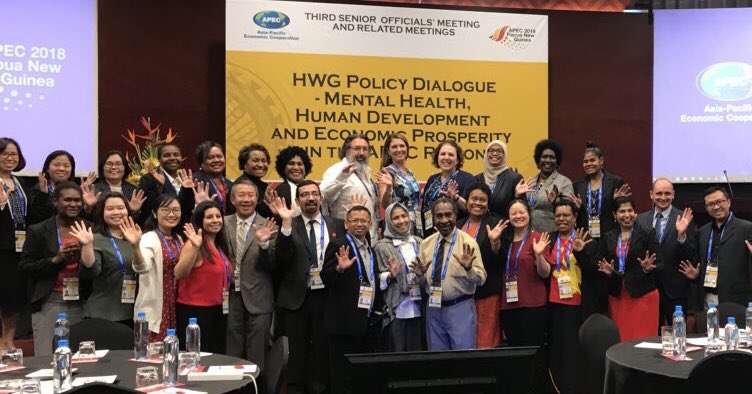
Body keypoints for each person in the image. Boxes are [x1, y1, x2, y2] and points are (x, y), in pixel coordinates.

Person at [273, 180, 344, 394]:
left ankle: (321, 388)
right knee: (297, 350)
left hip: (327, 295)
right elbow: (281, 259)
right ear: (297, 201)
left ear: (321, 198)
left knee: (323, 347)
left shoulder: (337, 225)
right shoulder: (287, 225)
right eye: (304, 195)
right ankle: (296, 390)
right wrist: (285, 225)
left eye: (314, 194)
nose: (310, 198)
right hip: (297, 298)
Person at [19, 182, 88, 356]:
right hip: (49, 301)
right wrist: (55, 260)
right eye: (68, 200)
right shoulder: (39, 230)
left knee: (80, 357)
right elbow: (25, 266)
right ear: (55, 201)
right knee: (45, 357)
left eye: (78, 200)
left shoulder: (90, 228)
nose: (74, 204)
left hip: (82, 302)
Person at [321, 205, 382, 394]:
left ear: (370, 224)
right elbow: (326, 277)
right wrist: (339, 269)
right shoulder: (339, 245)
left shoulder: (369, 248)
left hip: (365, 323)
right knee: (341, 378)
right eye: (354, 220)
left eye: (364, 220)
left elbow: (370, 278)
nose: (359, 224)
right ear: (346, 224)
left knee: (361, 378)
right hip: (343, 325)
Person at [417, 197, 485, 350]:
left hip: (460, 308)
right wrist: (419, 275)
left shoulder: (468, 243)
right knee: (437, 360)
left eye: (448, 215)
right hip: (433, 309)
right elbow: (422, 283)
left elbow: (481, 280)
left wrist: (469, 269)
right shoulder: (426, 244)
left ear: (455, 216)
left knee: (463, 360)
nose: (444, 220)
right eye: (439, 216)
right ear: (433, 218)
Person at [224, 180, 277, 371]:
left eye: (251, 195)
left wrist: (263, 245)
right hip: (229, 297)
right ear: (232, 199)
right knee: (231, 353)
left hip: (259, 297)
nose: (246, 200)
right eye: (241, 195)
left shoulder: (270, 225)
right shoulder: (221, 222)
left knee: (258, 355)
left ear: (257, 198)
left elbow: (273, 264)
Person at [547, 199, 596, 394]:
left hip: (579, 306)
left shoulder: (586, 239)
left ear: (575, 217)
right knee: (558, 350)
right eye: (558, 215)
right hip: (554, 304)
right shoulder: (549, 239)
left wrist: (581, 252)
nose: (561, 219)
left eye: (566, 215)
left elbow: (593, 271)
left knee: (574, 351)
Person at [597, 196, 662, 341]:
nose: (627, 215)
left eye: (630, 210)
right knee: (622, 340)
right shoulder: (608, 237)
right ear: (615, 215)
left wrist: (647, 269)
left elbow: (660, 263)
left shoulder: (647, 233)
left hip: (643, 295)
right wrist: (608, 272)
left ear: (635, 212)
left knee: (643, 341)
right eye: (622, 211)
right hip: (618, 296)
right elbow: (601, 264)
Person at [678, 186, 752, 311]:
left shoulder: (746, 228)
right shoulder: (703, 231)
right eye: (711, 204)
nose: (716, 207)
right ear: (706, 208)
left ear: (728, 201)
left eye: (719, 202)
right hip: (707, 295)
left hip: (736, 298)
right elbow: (694, 258)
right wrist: (681, 235)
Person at [636, 178, 696, 327]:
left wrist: (682, 235)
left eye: (667, 193)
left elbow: (691, 254)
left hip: (675, 289)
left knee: (678, 333)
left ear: (673, 195)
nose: (663, 197)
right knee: (651, 332)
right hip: (648, 287)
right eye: (659, 193)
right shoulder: (640, 219)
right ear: (651, 194)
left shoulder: (684, 218)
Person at [78, 192, 142, 327]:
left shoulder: (138, 235)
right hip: (104, 313)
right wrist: (87, 245)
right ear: (102, 212)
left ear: (128, 210)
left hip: (136, 312)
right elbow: (90, 272)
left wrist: (136, 244)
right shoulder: (96, 238)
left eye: (121, 208)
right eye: (110, 209)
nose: (116, 212)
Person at [175, 201, 230, 353]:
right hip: (195, 313)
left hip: (218, 310)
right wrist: (195, 247)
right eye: (209, 217)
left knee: (215, 356)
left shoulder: (219, 244)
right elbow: (179, 273)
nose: (215, 220)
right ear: (200, 221)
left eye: (218, 216)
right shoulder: (194, 244)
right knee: (197, 359)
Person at [456, 183, 507, 348]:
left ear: (488, 203)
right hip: (462, 295)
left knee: (486, 342)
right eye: (474, 199)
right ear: (467, 201)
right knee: (465, 341)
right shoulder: (458, 225)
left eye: (482, 200)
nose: (477, 203)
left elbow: (501, 261)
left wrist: (495, 243)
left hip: (487, 293)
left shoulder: (496, 224)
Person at [499, 199, 551, 346]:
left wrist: (539, 255)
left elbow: (545, 274)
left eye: (522, 212)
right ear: (508, 217)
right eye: (513, 213)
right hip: (508, 305)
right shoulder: (504, 239)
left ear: (529, 214)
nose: (518, 216)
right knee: (514, 352)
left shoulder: (538, 238)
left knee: (534, 351)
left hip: (533, 305)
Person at [373, 202, 424, 352]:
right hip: (396, 307)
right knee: (397, 352)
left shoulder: (420, 242)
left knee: (418, 352)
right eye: (395, 218)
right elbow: (375, 278)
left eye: (404, 216)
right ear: (388, 221)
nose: (401, 221)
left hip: (420, 304)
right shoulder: (381, 246)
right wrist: (390, 275)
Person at [134, 194, 183, 341]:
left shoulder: (178, 239)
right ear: (155, 213)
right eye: (166, 210)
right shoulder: (148, 238)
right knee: (153, 357)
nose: (171, 214)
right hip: (155, 309)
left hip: (176, 305)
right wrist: (135, 246)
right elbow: (142, 267)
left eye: (176, 210)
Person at [320, 134, 380, 240]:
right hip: (344, 235)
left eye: (365, 149)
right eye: (357, 149)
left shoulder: (366, 171)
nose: (361, 153)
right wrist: (342, 176)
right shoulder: (337, 170)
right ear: (347, 151)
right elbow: (322, 196)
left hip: (368, 235)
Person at [0, 138, 28, 350]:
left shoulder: (20, 182)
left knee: (14, 295)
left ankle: (9, 340)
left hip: (19, 247)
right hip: (1, 246)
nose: (10, 158)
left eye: (14, 154)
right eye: (5, 154)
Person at [572, 141, 630, 241]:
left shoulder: (615, 182)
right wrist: (577, 207)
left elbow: (624, 209)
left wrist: (616, 202)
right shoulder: (577, 185)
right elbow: (576, 215)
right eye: (586, 161)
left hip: (610, 234)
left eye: (592, 160)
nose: (589, 164)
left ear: (601, 160)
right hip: (586, 236)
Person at [420, 141, 475, 237]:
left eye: (451, 155)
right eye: (443, 154)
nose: (446, 157)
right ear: (437, 158)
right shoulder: (432, 179)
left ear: (457, 160)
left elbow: (472, 209)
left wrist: (455, 198)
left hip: (453, 233)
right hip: (429, 231)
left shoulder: (468, 179)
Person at [519, 140, 574, 233]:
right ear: (538, 160)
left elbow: (569, 210)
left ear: (557, 161)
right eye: (544, 157)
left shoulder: (564, 182)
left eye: (552, 157)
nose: (548, 160)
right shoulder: (531, 182)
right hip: (529, 234)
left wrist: (555, 202)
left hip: (551, 234)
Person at [27, 150, 90, 225]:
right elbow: (33, 218)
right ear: (47, 168)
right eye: (56, 165)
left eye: (66, 166)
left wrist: (87, 206)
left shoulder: (78, 190)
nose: (61, 169)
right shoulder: (37, 189)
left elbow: (82, 219)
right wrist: (43, 195)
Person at [137, 144, 190, 226]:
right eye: (167, 155)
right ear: (159, 159)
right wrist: (166, 185)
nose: (173, 158)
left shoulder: (185, 179)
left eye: (176, 155)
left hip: (184, 230)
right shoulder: (149, 179)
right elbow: (151, 209)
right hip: (158, 231)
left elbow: (187, 209)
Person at [375, 133, 420, 225]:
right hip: (399, 224)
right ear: (388, 151)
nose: (399, 149)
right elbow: (385, 205)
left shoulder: (409, 172)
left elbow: (409, 196)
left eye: (402, 146)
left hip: (415, 222)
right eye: (394, 147)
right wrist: (389, 187)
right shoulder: (386, 172)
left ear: (407, 148)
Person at [474, 140, 523, 221]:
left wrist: (517, 196)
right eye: (491, 151)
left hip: (504, 227)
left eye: (499, 151)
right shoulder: (477, 179)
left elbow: (522, 208)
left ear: (505, 155)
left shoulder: (514, 178)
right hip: (481, 226)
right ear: (486, 154)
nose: (495, 154)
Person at [189, 141, 234, 215]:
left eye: (219, 156)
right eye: (210, 158)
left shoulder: (229, 183)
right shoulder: (196, 181)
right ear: (201, 162)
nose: (216, 160)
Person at [234, 143, 273, 218]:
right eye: (255, 161)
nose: (261, 165)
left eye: (264, 161)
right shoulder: (240, 185)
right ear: (244, 164)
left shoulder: (264, 186)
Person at [272, 146, 313, 210]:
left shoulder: (313, 187)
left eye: (300, 164)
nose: (296, 168)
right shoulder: (281, 191)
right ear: (283, 168)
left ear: (306, 168)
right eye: (291, 163)